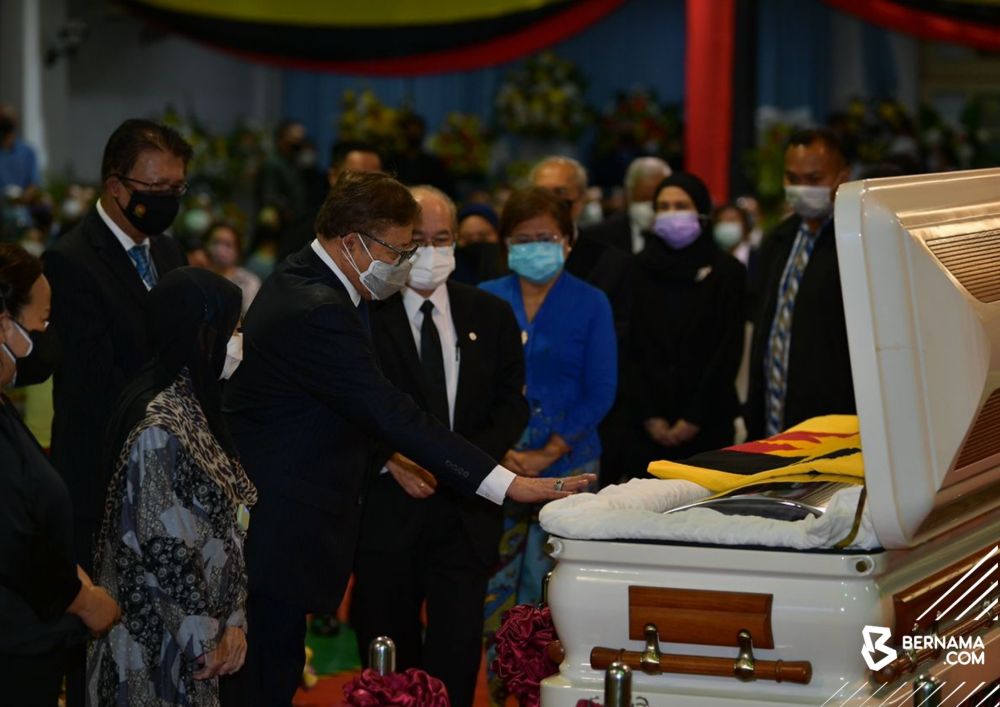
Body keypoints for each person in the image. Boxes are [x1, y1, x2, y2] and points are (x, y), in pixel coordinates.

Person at [219, 171, 592, 707]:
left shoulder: (307, 279)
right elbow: (391, 414)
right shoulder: (319, 306)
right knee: (262, 682)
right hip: (280, 526)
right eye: (399, 250)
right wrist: (507, 485)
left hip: (280, 520)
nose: (406, 262)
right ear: (353, 242)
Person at [351, 186, 529, 707]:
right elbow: (347, 404)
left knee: (455, 655)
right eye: (418, 239)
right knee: (387, 655)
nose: (431, 250)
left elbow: (511, 405)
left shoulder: (489, 314)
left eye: (442, 238)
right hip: (388, 513)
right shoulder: (366, 315)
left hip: (464, 516)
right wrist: (392, 458)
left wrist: (463, 466)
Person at [42, 118, 190, 706]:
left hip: (164, 472)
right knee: (99, 641)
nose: (168, 202)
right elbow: (91, 387)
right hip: (103, 475)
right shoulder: (72, 260)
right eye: (156, 190)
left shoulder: (168, 248)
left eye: (178, 190)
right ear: (114, 185)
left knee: (155, 630)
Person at [88, 268, 254, 706]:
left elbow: (228, 522)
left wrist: (234, 620)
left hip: (194, 639)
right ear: (203, 333)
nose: (238, 341)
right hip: (156, 649)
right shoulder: (160, 423)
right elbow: (166, 550)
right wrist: (209, 641)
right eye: (233, 328)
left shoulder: (196, 402)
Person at [479, 187, 617, 702]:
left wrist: (549, 451)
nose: (535, 246)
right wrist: (504, 451)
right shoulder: (486, 297)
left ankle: (550, 691)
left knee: (552, 584)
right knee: (494, 581)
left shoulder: (591, 302)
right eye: (523, 238)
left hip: (570, 463)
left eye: (546, 237)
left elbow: (601, 389)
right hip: (498, 462)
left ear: (568, 240)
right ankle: (499, 688)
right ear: (506, 243)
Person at [0, 244, 120, 707]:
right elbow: (11, 538)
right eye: (43, 321)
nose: (48, 336)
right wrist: (83, 600)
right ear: (5, 324)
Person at [623, 173, 746, 474]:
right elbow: (628, 346)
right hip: (646, 427)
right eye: (663, 206)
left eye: (681, 205)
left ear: (702, 211)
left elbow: (728, 348)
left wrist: (694, 418)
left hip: (709, 422)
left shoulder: (726, 271)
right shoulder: (636, 268)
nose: (671, 214)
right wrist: (650, 416)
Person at [746, 128, 855, 440]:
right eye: (793, 179)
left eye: (814, 179)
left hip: (831, 424)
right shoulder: (777, 240)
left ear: (842, 178)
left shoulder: (856, 242)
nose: (801, 189)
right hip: (771, 416)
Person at [277, 140, 383, 263]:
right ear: (333, 176)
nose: (368, 185)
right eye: (358, 176)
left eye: (376, 178)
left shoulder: (387, 228)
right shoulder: (307, 229)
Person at [584, 156, 672, 255]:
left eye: (656, 199)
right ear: (628, 195)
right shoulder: (597, 238)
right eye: (643, 199)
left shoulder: (681, 236)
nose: (650, 206)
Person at [255, 120, 308, 226]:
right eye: (295, 138)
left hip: (295, 221)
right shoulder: (272, 163)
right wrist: (286, 211)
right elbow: (269, 196)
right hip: (277, 224)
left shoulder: (295, 163)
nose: (299, 142)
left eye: (301, 139)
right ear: (282, 138)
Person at [206, 221, 261, 315]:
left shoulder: (249, 282)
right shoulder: (199, 276)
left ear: (238, 250)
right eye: (216, 242)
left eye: (228, 244)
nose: (220, 249)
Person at [452, 202, 505, 286]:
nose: (475, 241)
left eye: (483, 236)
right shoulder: (448, 278)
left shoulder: (513, 272)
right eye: (467, 238)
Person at [0, 105, 41, 196]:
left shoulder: (27, 152)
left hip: (21, 207)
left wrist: (21, 199)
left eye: (7, 119)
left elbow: (34, 183)